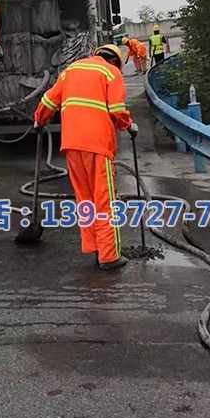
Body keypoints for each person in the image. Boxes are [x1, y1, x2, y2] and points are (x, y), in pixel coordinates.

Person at [33, 44, 138, 271]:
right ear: (114, 61)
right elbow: (117, 110)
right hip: (97, 146)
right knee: (104, 200)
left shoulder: (71, 70)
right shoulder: (111, 72)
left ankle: (95, 247)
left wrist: (39, 120)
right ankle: (109, 256)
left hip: (71, 145)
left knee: (85, 200)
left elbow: (48, 101)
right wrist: (129, 126)